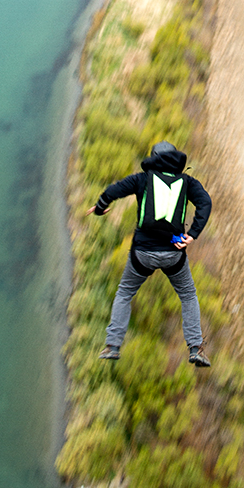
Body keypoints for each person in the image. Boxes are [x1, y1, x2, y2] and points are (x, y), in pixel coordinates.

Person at [86, 141, 212, 366]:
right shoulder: (187, 183)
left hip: (142, 253)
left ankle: (113, 346)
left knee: (125, 292)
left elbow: (113, 190)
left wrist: (100, 207)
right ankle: (195, 348)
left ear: (153, 158)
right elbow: (205, 202)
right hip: (174, 253)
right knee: (188, 295)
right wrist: (193, 233)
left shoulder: (142, 179)